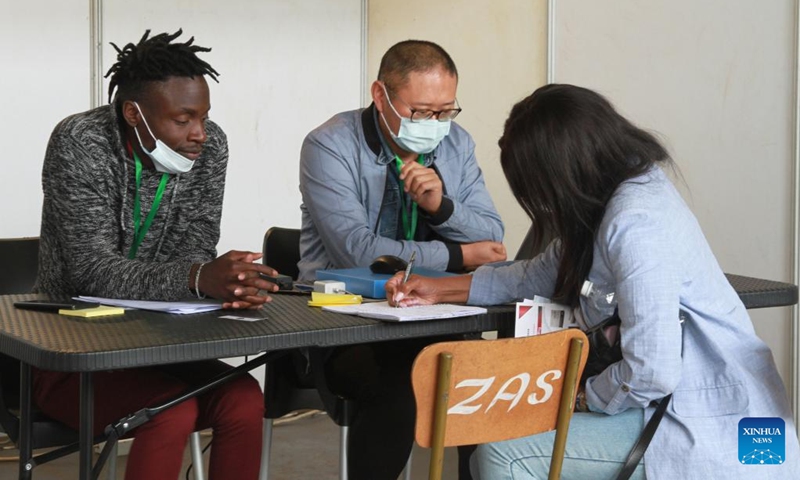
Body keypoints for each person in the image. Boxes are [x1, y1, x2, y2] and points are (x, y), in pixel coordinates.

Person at [386, 84, 800, 479]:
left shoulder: (636, 222)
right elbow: (539, 273)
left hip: (721, 429)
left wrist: (580, 398)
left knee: (502, 454)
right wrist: (439, 288)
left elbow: (652, 371)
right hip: (680, 404)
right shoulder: (615, 195)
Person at [33, 30, 279, 480]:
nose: (200, 134)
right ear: (134, 113)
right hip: (70, 349)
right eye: (184, 118)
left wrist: (226, 280)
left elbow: (196, 250)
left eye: (204, 117)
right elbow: (90, 272)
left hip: (161, 341)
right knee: (169, 411)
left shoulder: (210, 147)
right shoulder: (81, 142)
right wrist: (198, 276)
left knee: (244, 399)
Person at [297, 40, 506, 480]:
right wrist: (459, 254)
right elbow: (357, 252)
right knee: (402, 384)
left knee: (481, 382)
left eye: (445, 111)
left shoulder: (457, 145)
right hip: (346, 323)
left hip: (438, 315)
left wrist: (441, 207)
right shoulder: (329, 145)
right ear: (380, 95)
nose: (434, 125)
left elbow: (493, 237)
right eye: (421, 112)